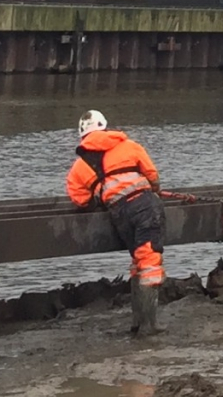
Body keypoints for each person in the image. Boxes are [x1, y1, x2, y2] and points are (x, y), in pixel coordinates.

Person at [65, 111, 166, 326]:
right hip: (146, 206)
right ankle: (148, 326)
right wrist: (154, 190)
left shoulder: (79, 167)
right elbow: (152, 174)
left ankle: (138, 323)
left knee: (139, 261)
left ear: (83, 135)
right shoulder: (129, 146)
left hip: (119, 212)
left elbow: (80, 200)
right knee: (149, 263)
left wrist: (101, 193)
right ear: (105, 127)